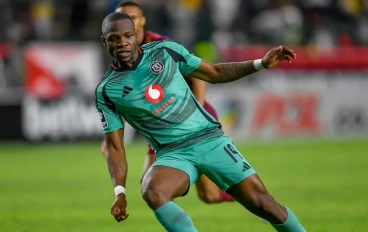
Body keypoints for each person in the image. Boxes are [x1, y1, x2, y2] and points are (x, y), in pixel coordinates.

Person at [96, 12, 306, 232]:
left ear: (136, 35)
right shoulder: (107, 91)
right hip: (173, 154)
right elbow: (115, 145)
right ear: (105, 41)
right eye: (114, 38)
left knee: (265, 205)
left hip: (209, 140)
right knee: (153, 190)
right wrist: (119, 192)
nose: (122, 43)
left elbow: (214, 72)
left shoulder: (165, 50)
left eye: (127, 36)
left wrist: (260, 64)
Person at [101, 1, 234, 203]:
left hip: (186, 118)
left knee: (152, 184)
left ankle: (249, 195)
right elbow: (129, 98)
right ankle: (248, 197)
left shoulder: (160, 44)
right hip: (160, 124)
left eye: (133, 18)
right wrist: (111, 138)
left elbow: (197, 75)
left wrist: (196, 111)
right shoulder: (124, 53)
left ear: (142, 20)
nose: (128, 23)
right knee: (209, 195)